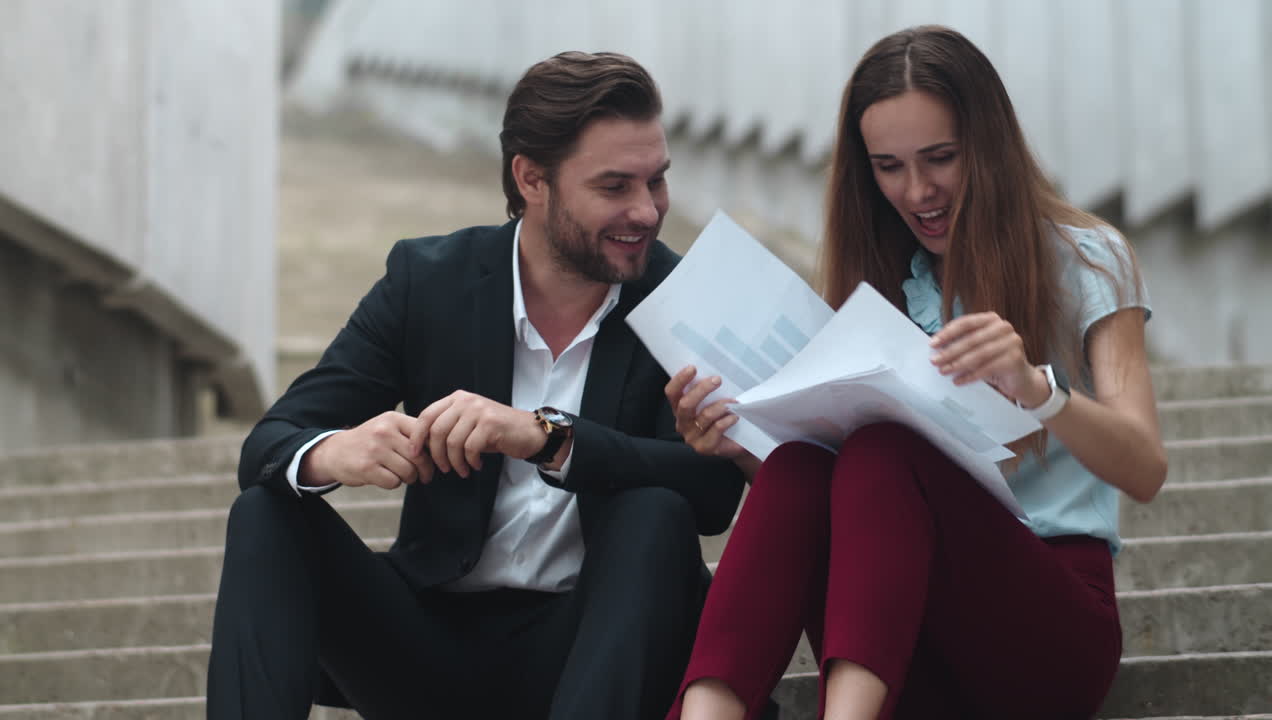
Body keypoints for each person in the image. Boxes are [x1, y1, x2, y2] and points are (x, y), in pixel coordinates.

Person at [206, 51, 746, 720]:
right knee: (264, 512)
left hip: (595, 647)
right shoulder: (428, 281)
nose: (646, 210)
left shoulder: (685, 297)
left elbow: (714, 493)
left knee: (654, 513)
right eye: (614, 186)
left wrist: (544, 437)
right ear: (531, 179)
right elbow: (268, 442)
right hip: (430, 648)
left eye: (656, 181)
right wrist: (334, 452)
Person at [664, 26, 1166, 720]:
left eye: (940, 159)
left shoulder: (1088, 259)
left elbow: (1145, 469)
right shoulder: (881, 278)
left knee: (886, 451)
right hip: (902, 643)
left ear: (987, 147)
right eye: (889, 166)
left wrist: (1040, 390)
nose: (918, 190)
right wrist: (740, 445)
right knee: (800, 467)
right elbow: (853, 512)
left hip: (1047, 632)